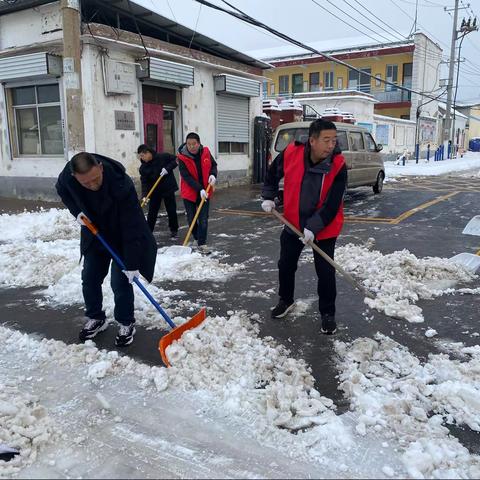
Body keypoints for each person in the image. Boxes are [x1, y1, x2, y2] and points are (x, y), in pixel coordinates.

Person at [56, 152, 157, 347]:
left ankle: (126, 322)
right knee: (90, 277)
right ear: (74, 177)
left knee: (120, 282)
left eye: (95, 179)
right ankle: (96, 317)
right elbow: (62, 190)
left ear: (100, 168)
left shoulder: (122, 184)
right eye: (86, 184)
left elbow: (132, 226)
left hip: (122, 236)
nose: (93, 185)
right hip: (95, 234)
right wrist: (77, 213)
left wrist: (132, 263)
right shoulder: (66, 178)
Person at [261, 119, 347, 335]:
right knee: (286, 264)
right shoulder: (292, 153)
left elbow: (332, 204)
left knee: (325, 271)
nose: (331, 145)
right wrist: (269, 196)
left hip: (324, 227)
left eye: (334, 140)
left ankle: (328, 314)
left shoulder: (338, 165)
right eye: (326, 140)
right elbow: (272, 173)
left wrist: (314, 227)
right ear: (312, 140)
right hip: (293, 222)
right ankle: (286, 300)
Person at [177, 132, 218, 248]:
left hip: (205, 191)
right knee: (192, 219)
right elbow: (186, 176)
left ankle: (202, 243)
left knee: (203, 219)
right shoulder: (182, 157)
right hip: (189, 192)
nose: (191, 146)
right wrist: (199, 189)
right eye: (189, 144)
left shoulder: (205, 152)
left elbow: (213, 165)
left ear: (199, 143)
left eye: (194, 144)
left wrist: (213, 175)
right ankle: (196, 237)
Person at [137, 144, 179, 238]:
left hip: (167, 188)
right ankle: (148, 231)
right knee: (152, 212)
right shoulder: (143, 168)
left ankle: (174, 229)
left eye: (142, 156)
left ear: (148, 153)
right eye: (140, 156)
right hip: (155, 191)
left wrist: (167, 169)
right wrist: (144, 195)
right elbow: (144, 183)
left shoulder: (163, 157)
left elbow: (176, 160)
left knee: (171, 210)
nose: (142, 158)